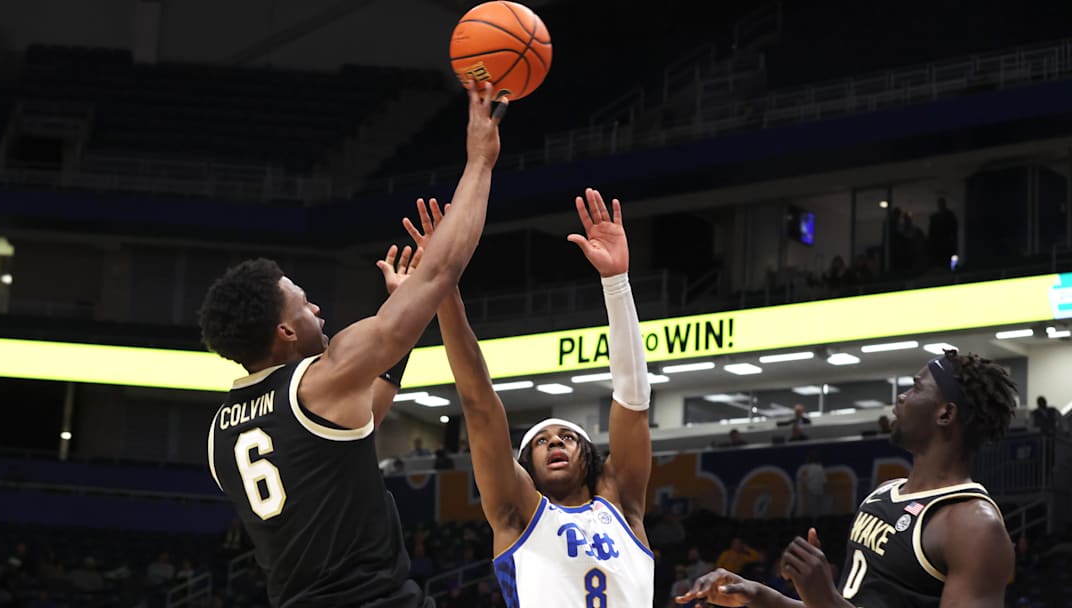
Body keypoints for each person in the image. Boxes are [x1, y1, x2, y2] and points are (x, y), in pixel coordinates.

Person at [199, 82, 506, 607]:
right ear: (286, 332)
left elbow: (364, 412)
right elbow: (440, 272)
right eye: (303, 303)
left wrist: (400, 335)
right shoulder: (321, 376)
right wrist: (480, 161)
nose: (315, 307)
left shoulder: (219, 436)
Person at [410, 190, 654, 606]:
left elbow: (632, 401)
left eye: (567, 437)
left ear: (591, 457)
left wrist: (616, 283)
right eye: (541, 441)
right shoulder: (518, 512)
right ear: (525, 469)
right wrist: (443, 288)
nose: (555, 442)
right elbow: (479, 402)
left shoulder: (623, 507)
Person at [677, 350, 1017, 608]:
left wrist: (824, 598)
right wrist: (756, 594)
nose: (901, 397)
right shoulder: (885, 493)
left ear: (946, 413)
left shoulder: (973, 527)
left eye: (915, 388)